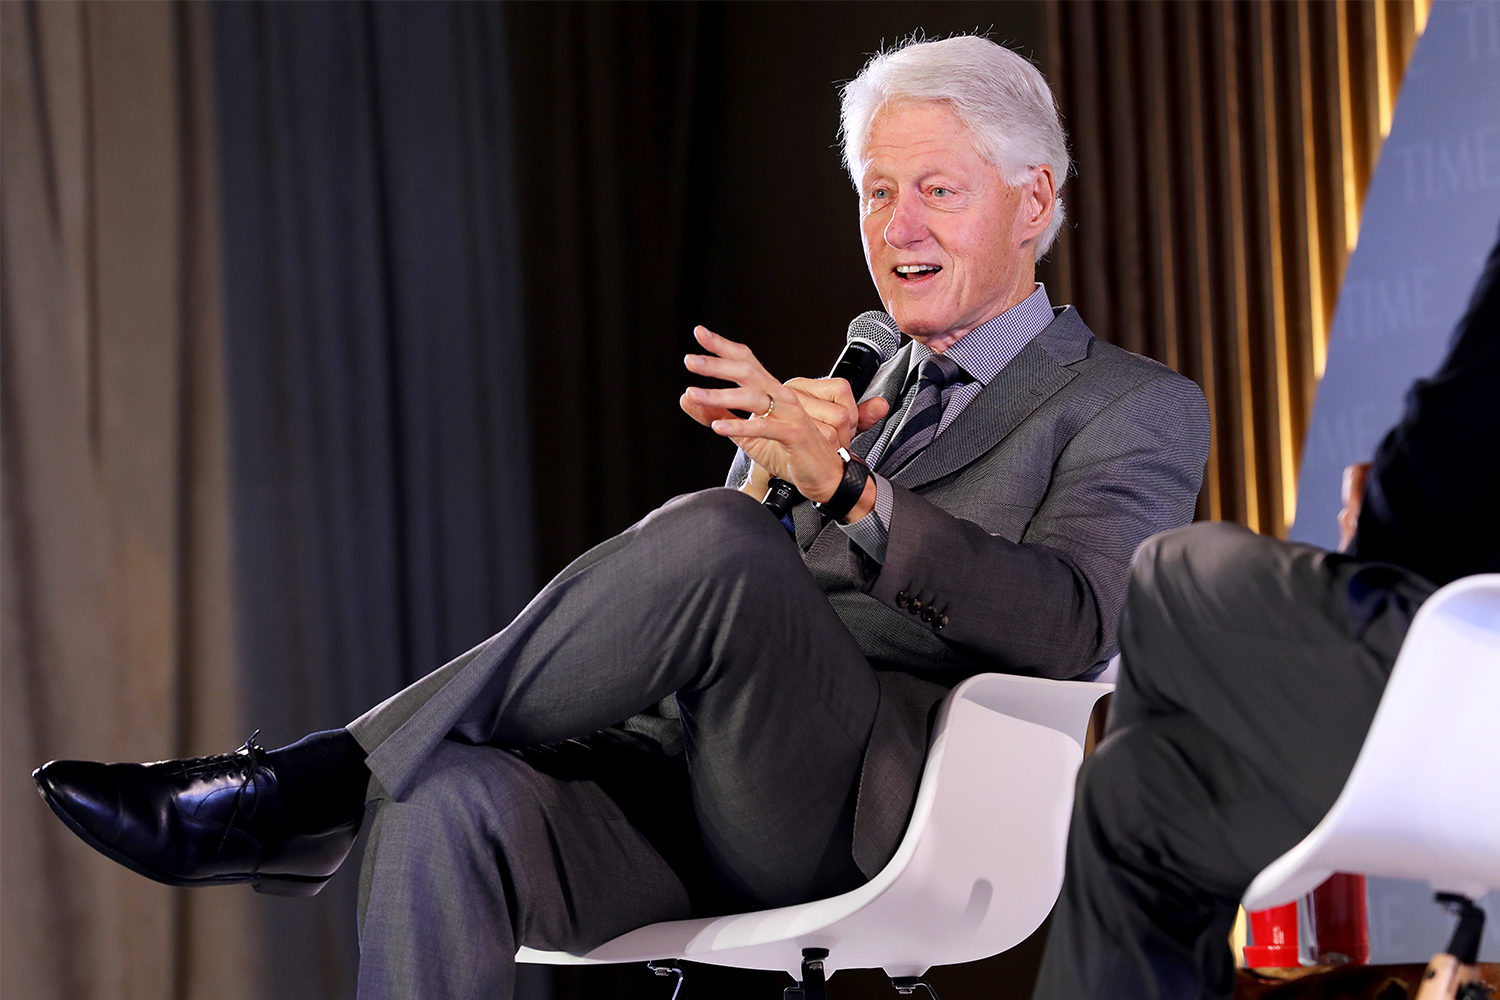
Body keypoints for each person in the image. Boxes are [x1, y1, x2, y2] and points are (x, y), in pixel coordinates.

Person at [34, 36, 1210, 1000]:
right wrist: (776, 482)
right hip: (680, 780)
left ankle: (304, 789)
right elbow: (738, 609)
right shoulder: (862, 375)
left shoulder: (1130, 407)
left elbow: (1079, 621)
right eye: (878, 192)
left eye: (938, 191)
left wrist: (850, 494)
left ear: (1033, 198)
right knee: (438, 799)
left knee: (717, 535)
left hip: (864, 820)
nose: (898, 227)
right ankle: (355, 783)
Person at [1031, 226, 1500, 1000]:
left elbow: (1452, 460)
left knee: (1167, 571)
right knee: (1134, 801)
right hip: (1457, 688)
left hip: (1463, 693)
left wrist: (1377, 513)